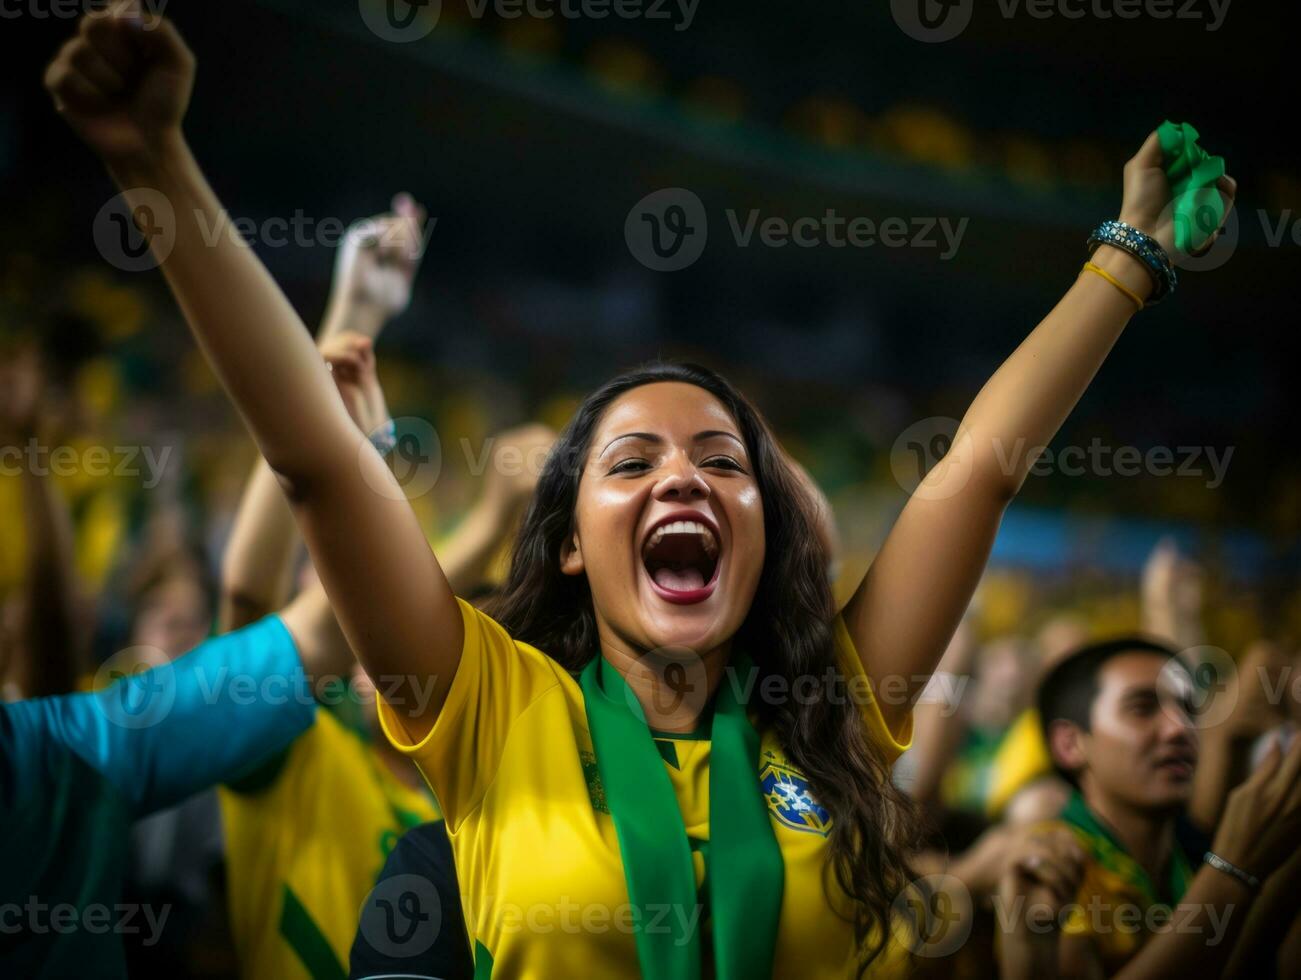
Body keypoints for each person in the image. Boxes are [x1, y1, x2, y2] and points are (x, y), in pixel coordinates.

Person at [44, 4, 1239, 974]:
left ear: (765, 534)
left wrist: (1123, 253)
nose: (685, 474)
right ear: (568, 545)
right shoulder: (492, 705)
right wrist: (154, 162)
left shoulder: (828, 719)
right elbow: (314, 456)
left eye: (725, 462)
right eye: (632, 462)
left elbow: (974, 471)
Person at [214, 218, 552, 977]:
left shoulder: (491, 826)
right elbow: (246, 596)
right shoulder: (303, 757)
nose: (376, 645)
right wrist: (351, 322)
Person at [0, 579, 355, 976]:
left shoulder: (63, 747)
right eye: (162, 616)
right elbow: (279, 615)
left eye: (193, 620)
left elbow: (309, 638)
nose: (180, 630)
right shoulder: (65, 749)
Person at [1001, 636, 1301, 978]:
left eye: (1188, 709)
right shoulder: (1053, 864)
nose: (1180, 728)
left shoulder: (1183, 854)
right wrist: (1233, 869)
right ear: (1070, 744)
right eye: (1142, 708)